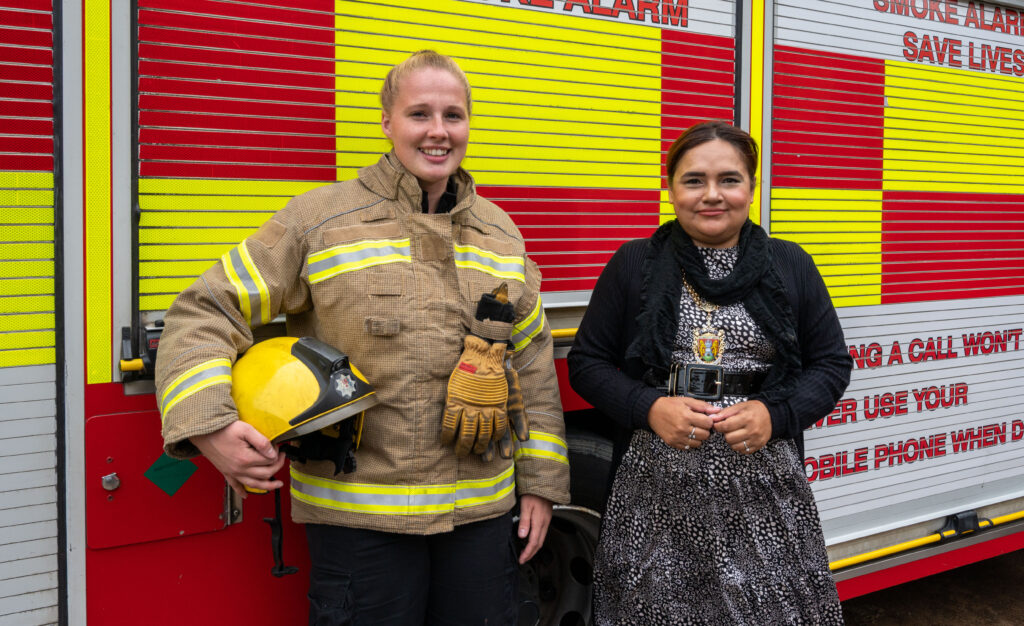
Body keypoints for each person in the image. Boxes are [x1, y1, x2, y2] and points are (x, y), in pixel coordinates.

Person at [155, 50, 570, 625]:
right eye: (419, 114)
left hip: (481, 517)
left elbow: (532, 365)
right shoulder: (319, 221)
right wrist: (211, 425)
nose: (438, 131)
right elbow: (204, 309)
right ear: (386, 122)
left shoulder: (501, 232)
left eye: (453, 115)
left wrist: (543, 485)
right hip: (361, 527)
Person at [567, 121, 851, 624]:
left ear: (752, 186)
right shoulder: (635, 263)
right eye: (694, 180)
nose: (712, 195)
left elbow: (831, 365)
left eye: (729, 179)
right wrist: (649, 407)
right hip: (653, 490)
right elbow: (586, 364)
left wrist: (775, 413)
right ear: (671, 187)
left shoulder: (790, 264)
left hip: (765, 487)